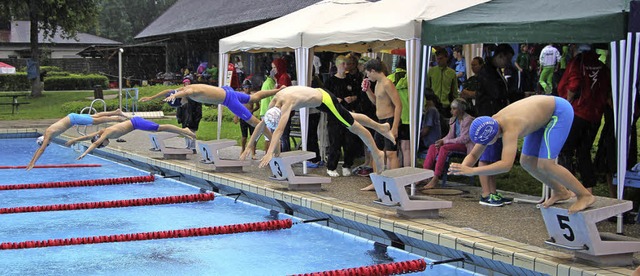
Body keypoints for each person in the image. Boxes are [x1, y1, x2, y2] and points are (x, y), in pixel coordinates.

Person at [450, 95, 596, 214]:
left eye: (489, 142)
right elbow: (474, 155)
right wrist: (462, 168)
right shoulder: (489, 125)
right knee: (527, 162)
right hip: (539, 117)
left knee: (546, 164)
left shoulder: (510, 128)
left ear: (495, 134)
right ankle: (560, 191)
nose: (486, 146)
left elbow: (506, 165)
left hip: (558, 112)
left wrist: (473, 171)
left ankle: (585, 195)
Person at [239, 86, 396, 183]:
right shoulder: (275, 102)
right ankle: (381, 127)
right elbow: (261, 124)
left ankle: (377, 152)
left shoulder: (287, 104)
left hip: (325, 100)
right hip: (320, 97)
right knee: (349, 116)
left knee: (352, 126)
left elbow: (279, 131)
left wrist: (270, 152)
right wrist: (249, 146)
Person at [557, 44, 611, 193]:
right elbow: (607, 90)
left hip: (577, 112)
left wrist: (566, 103)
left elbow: (574, 84)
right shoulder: (602, 67)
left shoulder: (578, 62)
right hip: (594, 115)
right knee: (584, 151)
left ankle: (570, 189)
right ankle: (588, 188)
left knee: (565, 150)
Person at [473, 44, 514, 207]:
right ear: (500, 56)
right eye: (508, 59)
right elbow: (496, 93)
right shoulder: (487, 72)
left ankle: (493, 192)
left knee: (492, 158)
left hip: (494, 118)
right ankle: (485, 193)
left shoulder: (494, 70)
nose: (508, 63)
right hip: (487, 119)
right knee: (485, 156)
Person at [26, 109, 128, 170]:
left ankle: (117, 118)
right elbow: (39, 149)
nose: (48, 144)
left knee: (97, 121)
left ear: (44, 141)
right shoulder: (48, 134)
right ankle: (116, 112)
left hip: (73, 119)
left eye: (46, 144)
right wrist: (31, 161)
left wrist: (33, 163)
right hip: (72, 117)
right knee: (95, 116)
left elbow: (41, 150)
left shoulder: (49, 134)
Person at [67, 117, 197, 160]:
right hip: (135, 124)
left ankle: (184, 131)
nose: (104, 145)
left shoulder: (105, 134)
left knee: (159, 128)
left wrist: (84, 153)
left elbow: (94, 144)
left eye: (103, 145)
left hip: (136, 123)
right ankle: (184, 132)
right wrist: (74, 140)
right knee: (159, 129)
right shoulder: (102, 132)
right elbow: (87, 137)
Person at [360, 58, 402, 191]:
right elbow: (375, 101)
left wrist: (395, 126)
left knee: (390, 154)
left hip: (389, 121)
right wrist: (367, 91)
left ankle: (393, 183)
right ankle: (377, 182)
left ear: (373, 71)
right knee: (376, 152)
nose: (367, 76)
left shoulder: (387, 83)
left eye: (368, 73)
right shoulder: (377, 83)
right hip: (380, 122)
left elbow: (398, 105)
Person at [161, 83, 282, 128]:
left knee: (253, 122)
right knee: (253, 97)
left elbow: (186, 93)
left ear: (180, 98)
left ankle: (272, 140)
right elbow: (171, 90)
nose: (182, 105)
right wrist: (152, 97)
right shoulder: (187, 87)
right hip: (226, 90)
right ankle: (279, 90)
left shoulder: (190, 92)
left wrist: (174, 96)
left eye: (180, 103)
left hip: (228, 100)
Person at [421, 98, 474, 189]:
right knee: (433, 147)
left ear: (461, 109)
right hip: (455, 143)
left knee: (444, 148)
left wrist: (445, 142)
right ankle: (424, 174)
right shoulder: (453, 120)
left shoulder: (468, 120)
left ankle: (436, 176)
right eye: (451, 108)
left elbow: (463, 139)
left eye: (454, 108)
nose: (451, 111)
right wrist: (441, 141)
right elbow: (450, 136)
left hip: (466, 145)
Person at [324, 55, 360, 177]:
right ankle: (331, 166)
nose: (346, 67)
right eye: (343, 64)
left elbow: (358, 94)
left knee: (350, 141)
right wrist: (334, 100)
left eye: (347, 64)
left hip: (349, 113)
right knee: (335, 141)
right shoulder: (330, 81)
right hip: (334, 116)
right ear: (338, 65)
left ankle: (347, 164)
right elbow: (324, 97)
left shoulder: (351, 80)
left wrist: (352, 98)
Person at [426, 48, 458, 118]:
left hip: (447, 106)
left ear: (446, 58)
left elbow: (454, 91)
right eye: (437, 59)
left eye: (440, 58)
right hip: (433, 105)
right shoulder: (431, 71)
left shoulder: (452, 73)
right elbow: (427, 88)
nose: (438, 61)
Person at [235, 79, 259, 159]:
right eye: (246, 88)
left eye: (249, 88)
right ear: (243, 88)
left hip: (251, 117)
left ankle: (253, 152)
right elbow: (236, 106)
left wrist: (252, 110)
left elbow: (257, 106)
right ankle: (243, 149)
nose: (247, 90)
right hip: (243, 117)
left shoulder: (253, 96)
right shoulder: (240, 97)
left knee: (253, 135)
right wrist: (236, 116)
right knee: (244, 136)